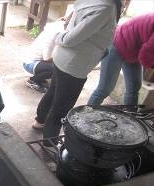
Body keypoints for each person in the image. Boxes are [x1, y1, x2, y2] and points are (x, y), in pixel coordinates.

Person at [32, 0, 123, 144]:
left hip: (63, 58)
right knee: (61, 107)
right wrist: (58, 37)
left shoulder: (95, 3)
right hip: (73, 64)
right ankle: (49, 142)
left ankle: (40, 120)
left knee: (53, 92)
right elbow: (71, 38)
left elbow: (71, 25)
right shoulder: (104, 8)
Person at [87, 13, 154, 106]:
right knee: (104, 89)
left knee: (134, 87)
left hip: (133, 50)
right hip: (117, 44)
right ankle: (86, 114)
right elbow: (145, 57)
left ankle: (129, 117)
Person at [22, 20, 65, 93]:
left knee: (58, 65)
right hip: (30, 63)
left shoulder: (55, 30)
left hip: (37, 62)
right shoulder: (50, 38)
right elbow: (47, 58)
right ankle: (33, 80)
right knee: (54, 68)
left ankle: (41, 77)